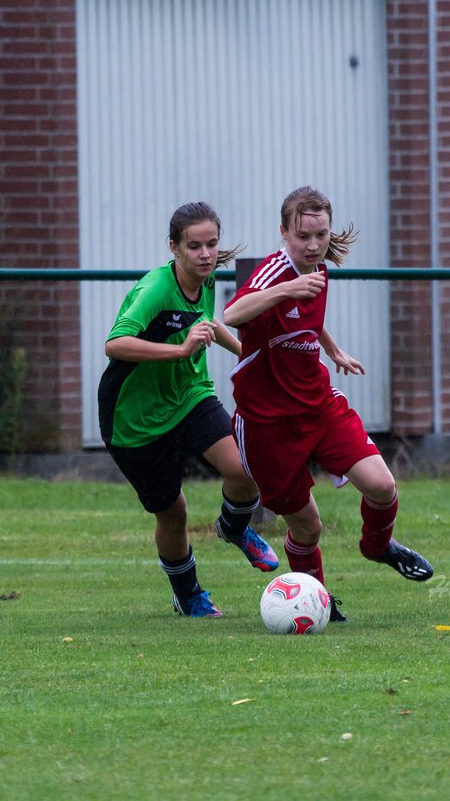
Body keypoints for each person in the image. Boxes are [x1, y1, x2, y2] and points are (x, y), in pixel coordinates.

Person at [223, 186, 433, 622]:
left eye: (321, 234)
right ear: (284, 233)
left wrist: (332, 349)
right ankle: (317, 601)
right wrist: (288, 289)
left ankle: (377, 546)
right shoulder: (275, 274)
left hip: (317, 405)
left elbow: (306, 319)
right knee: (308, 527)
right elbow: (233, 314)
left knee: (383, 486)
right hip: (267, 425)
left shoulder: (317, 270)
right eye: (303, 236)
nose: (314, 245)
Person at [98, 201, 279, 618]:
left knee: (246, 466)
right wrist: (180, 349)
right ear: (173, 247)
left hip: (190, 395)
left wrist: (249, 357)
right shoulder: (155, 290)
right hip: (135, 419)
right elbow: (114, 343)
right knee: (173, 512)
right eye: (194, 246)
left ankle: (233, 528)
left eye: (212, 244)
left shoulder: (209, 278)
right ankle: (188, 593)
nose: (205, 254)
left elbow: (207, 321)